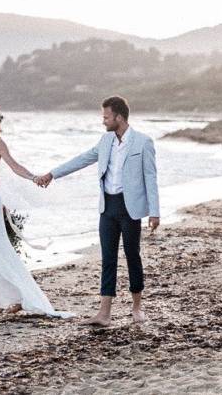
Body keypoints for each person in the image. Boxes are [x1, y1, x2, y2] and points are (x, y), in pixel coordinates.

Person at [37, 96, 160, 326]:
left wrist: (154, 212)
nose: (103, 121)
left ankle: (137, 308)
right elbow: (82, 160)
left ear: (119, 117)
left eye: (106, 117)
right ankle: (104, 314)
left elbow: (151, 177)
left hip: (130, 207)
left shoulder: (143, 142)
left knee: (133, 256)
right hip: (108, 207)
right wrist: (52, 174)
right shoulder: (105, 141)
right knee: (108, 259)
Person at [0, 103, 73, 321]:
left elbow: (14, 166)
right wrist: (0, 200)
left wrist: (34, 177)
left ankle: (0, 301)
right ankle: (2, 299)